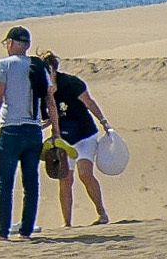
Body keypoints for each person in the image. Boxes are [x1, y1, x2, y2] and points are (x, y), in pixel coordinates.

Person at [0, 25, 60, 241]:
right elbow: (50, 101)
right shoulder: (39, 66)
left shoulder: (4, 65)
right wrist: (55, 129)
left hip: (11, 131)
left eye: (7, 42)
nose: (6, 46)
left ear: (14, 43)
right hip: (33, 131)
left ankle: (2, 233)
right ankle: (26, 232)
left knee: (4, 184)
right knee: (30, 183)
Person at [40, 51, 113, 226]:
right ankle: (67, 224)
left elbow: (89, 102)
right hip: (63, 139)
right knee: (65, 180)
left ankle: (102, 214)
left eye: (48, 71)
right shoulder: (42, 92)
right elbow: (49, 117)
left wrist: (104, 122)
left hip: (85, 134)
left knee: (85, 174)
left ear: (54, 70)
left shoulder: (72, 84)